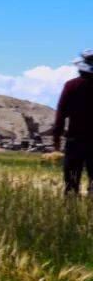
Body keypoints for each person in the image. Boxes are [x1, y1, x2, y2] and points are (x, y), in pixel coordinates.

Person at [53, 49, 93, 195]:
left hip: (75, 139)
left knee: (71, 181)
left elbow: (60, 116)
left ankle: (72, 214)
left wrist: (56, 140)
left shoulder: (71, 85)